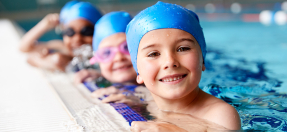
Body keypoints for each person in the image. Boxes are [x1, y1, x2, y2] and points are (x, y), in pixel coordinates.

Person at [126, 1, 241, 131]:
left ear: (202, 60)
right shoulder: (148, 101)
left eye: (182, 49)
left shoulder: (221, 115)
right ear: (138, 72)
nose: (170, 61)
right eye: (154, 54)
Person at [79, 11, 145, 105]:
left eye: (127, 47)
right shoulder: (100, 82)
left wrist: (143, 100)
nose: (118, 58)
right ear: (97, 60)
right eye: (106, 53)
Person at [19, 1, 102, 71]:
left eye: (87, 32)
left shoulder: (102, 55)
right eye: (70, 32)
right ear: (63, 33)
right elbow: (24, 48)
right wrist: (45, 24)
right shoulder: (62, 47)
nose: (77, 38)